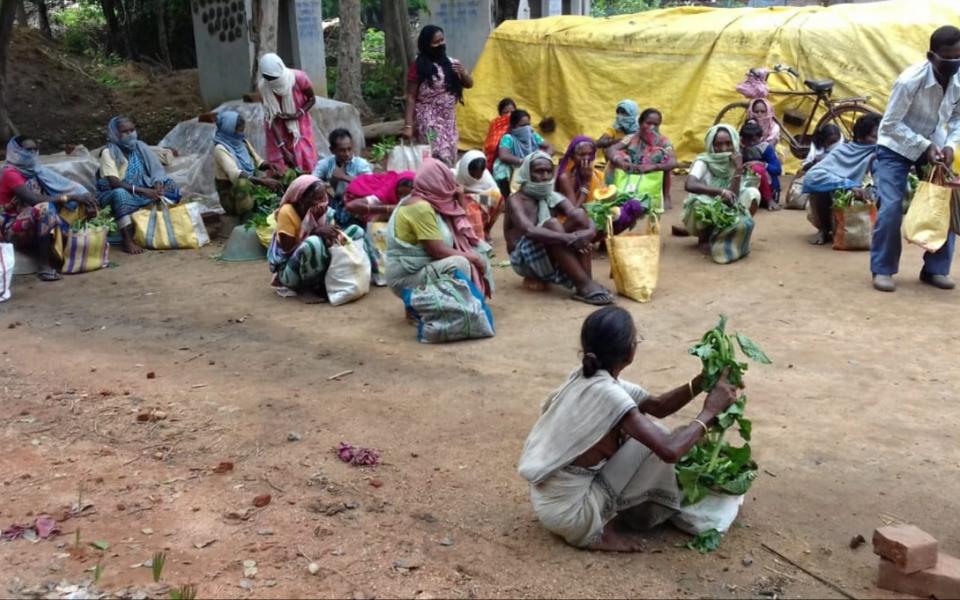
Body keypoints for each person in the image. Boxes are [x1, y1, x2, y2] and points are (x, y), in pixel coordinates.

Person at [517, 306, 740, 551]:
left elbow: (657, 406)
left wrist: (701, 381)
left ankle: (612, 510)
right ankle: (599, 528)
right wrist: (710, 411)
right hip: (572, 515)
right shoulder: (610, 395)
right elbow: (670, 450)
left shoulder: (588, 377)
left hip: (548, 502)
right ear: (629, 352)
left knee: (648, 434)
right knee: (659, 439)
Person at [871, 25, 960, 293]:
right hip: (894, 148)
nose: (955, 62)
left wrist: (951, 146)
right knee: (891, 207)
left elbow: (957, 118)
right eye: (949, 57)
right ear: (931, 56)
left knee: (946, 203)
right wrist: (924, 145)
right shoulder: (909, 81)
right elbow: (890, 125)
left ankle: (936, 269)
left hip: (936, 146)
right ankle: (883, 270)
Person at [504, 151, 613, 305]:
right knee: (553, 224)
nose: (545, 176)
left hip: (548, 248)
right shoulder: (515, 200)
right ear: (527, 172)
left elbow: (580, 215)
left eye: (549, 171)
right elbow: (529, 230)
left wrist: (588, 233)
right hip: (523, 259)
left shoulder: (551, 195)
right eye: (539, 171)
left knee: (580, 216)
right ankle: (584, 284)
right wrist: (568, 238)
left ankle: (585, 282)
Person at [385, 158, 493, 298]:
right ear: (437, 183)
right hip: (407, 276)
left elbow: (464, 230)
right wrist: (474, 258)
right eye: (446, 182)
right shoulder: (420, 207)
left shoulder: (431, 200)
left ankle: (459, 302)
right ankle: (443, 308)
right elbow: (436, 250)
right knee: (460, 264)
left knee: (478, 249)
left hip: (422, 267)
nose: (451, 186)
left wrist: (460, 199)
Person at [1, 137, 97, 281]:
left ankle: (67, 252)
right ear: (16, 151)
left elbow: (61, 186)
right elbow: (33, 199)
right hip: (10, 226)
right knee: (45, 209)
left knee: (74, 203)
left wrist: (83, 197)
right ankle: (44, 266)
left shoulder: (36, 170)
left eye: (35, 149)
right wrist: (70, 197)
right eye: (28, 150)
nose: (33, 153)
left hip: (32, 218)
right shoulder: (10, 173)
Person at [267, 174, 365, 297]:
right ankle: (310, 289)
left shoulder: (324, 211)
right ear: (301, 198)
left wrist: (333, 233)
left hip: (321, 264)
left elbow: (330, 240)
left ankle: (353, 275)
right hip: (291, 272)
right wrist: (315, 231)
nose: (322, 201)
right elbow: (287, 250)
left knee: (356, 231)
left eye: (323, 196)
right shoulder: (287, 212)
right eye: (317, 198)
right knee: (313, 243)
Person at [96, 116, 182, 255]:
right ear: (115, 133)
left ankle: (165, 227)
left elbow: (156, 169)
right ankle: (127, 240)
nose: (131, 134)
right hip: (119, 191)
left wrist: (157, 184)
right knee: (120, 194)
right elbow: (114, 183)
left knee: (170, 186)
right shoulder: (109, 152)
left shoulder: (140, 146)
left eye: (132, 130)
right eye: (125, 131)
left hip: (143, 187)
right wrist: (142, 191)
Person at [680, 125, 760, 256]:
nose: (724, 148)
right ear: (711, 145)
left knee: (753, 194)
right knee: (700, 203)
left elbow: (732, 198)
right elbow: (689, 184)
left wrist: (738, 169)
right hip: (707, 201)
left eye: (728, 143)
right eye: (718, 144)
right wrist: (720, 192)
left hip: (728, 202)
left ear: (734, 142)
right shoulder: (704, 161)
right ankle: (704, 237)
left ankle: (732, 233)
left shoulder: (735, 160)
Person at [803, 114, 880, 245]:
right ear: (860, 138)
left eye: (881, 137)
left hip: (867, 199)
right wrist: (848, 185)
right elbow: (812, 176)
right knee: (819, 187)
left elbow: (882, 185)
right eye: (874, 137)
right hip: (838, 200)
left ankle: (876, 232)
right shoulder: (843, 150)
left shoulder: (879, 153)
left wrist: (868, 191)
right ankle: (824, 230)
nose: (878, 141)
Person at [403, 25, 473, 166]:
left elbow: (469, 84)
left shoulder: (451, 63)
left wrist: (463, 72)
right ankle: (436, 182)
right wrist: (408, 125)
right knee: (437, 151)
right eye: (436, 42)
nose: (440, 44)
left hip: (448, 118)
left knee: (451, 150)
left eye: (442, 40)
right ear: (426, 44)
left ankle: (444, 182)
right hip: (428, 117)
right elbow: (410, 96)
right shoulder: (418, 66)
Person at [556, 136, 645, 234]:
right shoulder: (566, 178)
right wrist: (586, 184)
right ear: (572, 156)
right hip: (575, 225)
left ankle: (604, 241)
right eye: (581, 155)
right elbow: (574, 214)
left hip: (594, 218)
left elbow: (602, 202)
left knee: (634, 206)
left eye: (590, 154)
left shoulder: (597, 174)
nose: (586, 158)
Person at [212, 110, 281, 218]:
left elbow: (258, 162)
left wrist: (270, 165)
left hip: (253, 188)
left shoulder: (242, 141)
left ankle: (259, 207)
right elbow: (236, 175)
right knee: (243, 184)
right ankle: (246, 217)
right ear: (229, 130)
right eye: (239, 131)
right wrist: (263, 182)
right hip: (232, 197)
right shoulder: (220, 149)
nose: (242, 134)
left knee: (280, 179)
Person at [606, 108, 679, 209]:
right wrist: (621, 162)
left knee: (664, 158)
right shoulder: (632, 137)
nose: (652, 127)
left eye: (656, 125)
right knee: (616, 157)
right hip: (631, 171)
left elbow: (673, 162)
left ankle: (666, 196)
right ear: (640, 123)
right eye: (648, 123)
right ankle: (612, 193)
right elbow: (611, 149)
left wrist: (653, 167)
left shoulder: (663, 141)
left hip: (650, 174)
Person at [257, 53, 318, 173]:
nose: (271, 81)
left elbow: (312, 99)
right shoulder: (263, 87)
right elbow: (271, 118)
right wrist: (282, 148)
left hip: (299, 125)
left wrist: (297, 114)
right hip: (276, 129)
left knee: (304, 155)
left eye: (274, 78)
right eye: (268, 78)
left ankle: (307, 185)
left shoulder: (298, 78)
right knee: (280, 164)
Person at [313, 129, 373, 228]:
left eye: (349, 149)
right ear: (332, 150)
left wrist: (343, 177)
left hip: (355, 206)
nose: (347, 153)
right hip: (333, 204)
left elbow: (370, 185)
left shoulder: (361, 164)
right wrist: (327, 185)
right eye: (342, 150)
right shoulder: (325, 164)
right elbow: (311, 183)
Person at [493, 109, 554, 199]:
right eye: (523, 125)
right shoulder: (508, 138)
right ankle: (506, 198)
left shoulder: (532, 135)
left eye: (528, 125)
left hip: (533, 163)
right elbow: (503, 155)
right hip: (516, 164)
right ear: (513, 126)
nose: (527, 128)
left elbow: (551, 147)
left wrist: (541, 157)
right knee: (501, 169)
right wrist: (523, 161)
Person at [455, 150, 503, 241]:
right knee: (472, 207)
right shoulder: (455, 174)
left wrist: (472, 195)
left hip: (478, 199)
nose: (477, 178)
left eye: (480, 175)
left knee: (499, 200)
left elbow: (495, 193)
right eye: (474, 175)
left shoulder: (486, 177)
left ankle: (486, 229)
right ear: (466, 170)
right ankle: (469, 233)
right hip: (461, 203)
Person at [740, 120, 783, 210]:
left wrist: (762, 164)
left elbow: (777, 169)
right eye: (748, 140)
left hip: (770, 188)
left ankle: (769, 200)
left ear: (760, 138)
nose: (751, 143)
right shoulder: (740, 148)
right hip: (747, 186)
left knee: (757, 169)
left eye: (754, 140)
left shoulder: (765, 148)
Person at [344, 171, 415, 223]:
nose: (402, 198)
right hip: (358, 192)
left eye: (406, 195)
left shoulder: (420, 196)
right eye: (400, 194)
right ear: (394, 190)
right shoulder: (386, 192)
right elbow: (351, 205)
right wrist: (388, 208)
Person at [483, 98, 516, 170]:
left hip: (512, 156)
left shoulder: (518, 123)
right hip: (493, 156)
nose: (509, 115)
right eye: (505, 112)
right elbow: (490, 141)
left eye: (512, 112)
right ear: (500, 113)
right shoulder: (495, 123)